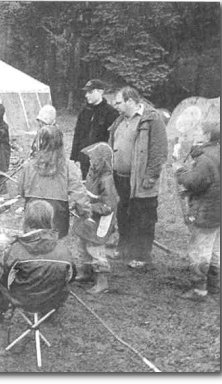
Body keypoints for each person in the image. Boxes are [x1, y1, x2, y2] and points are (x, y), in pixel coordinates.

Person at [0, 200, 75, 322]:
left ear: (26, 221)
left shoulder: (16, 250)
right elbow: (71, 277)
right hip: (54, 299)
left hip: (23, 300)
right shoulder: (63, 250)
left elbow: (6, 281)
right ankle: (48, 314)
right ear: (50, 221)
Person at [108, 86, 168, 269]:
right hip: (121, 178)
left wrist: (150, 177)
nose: (115, 106)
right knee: (123, 214)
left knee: (144, 218)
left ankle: (142, 256)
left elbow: (159, 151)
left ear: (131, 101)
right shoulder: (120, 119)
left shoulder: (152, 119)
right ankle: (124, 248)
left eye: (118, 102)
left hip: (142, 180)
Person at [174, 121, 220, 301]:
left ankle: (199, 289)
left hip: (206, 210)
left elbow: (194, 182)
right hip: (220, 209)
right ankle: (215, 284)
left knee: (200, 249)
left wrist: (180, 172)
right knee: (217, 248)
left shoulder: (204, 159)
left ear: (207, 136)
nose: (194, 133)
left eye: (198, 131)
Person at [18, 124, 90, 239]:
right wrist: (85, 212)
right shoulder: (68, 166)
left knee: (32, 241)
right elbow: (78, 192)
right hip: (57, 214)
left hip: (33, 210)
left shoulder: (28, 165)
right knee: (55, 245)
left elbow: (21, 190)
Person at [72, 142, 118, 294]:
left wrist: (91, 207)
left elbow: (109, 206)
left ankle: (102, 281)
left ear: (102, 161)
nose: (91, 162)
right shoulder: (93, 174)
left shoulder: (107, 180)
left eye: (94, 160)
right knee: (82, 244)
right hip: (89, 218)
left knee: (95, 249)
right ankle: (85, 271)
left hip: (100, 220)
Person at [70, 79, 119, 180]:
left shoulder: (111, 113)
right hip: (85, 160)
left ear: (100, 92)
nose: (86, 95)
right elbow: (77, 135)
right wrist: (74, 157)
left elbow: (114, 139)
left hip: (102, 162)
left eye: (90, 92)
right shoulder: (84, 112)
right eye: (86, 92)